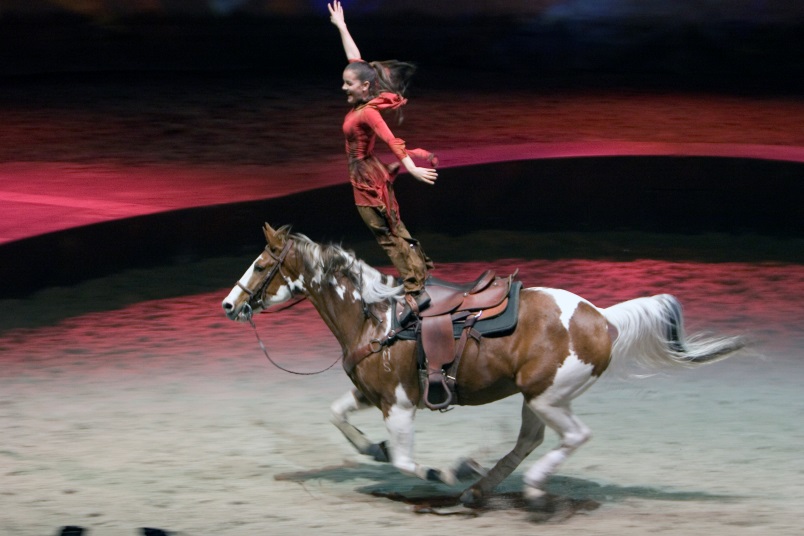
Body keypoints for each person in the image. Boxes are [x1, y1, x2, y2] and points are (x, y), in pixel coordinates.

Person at [328, 1, 438, 324]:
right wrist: (342, 27)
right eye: (344, 81)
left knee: (386, 232)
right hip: (367, 170)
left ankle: (417, 290)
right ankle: (418, 276)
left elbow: (391, 138)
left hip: (366, 176)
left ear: (364, 87)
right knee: (391, 227)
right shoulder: (364, 93)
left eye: (349, 84)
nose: (343, 86)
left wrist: (412, 167)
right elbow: (355, 59)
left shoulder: (369, 112)